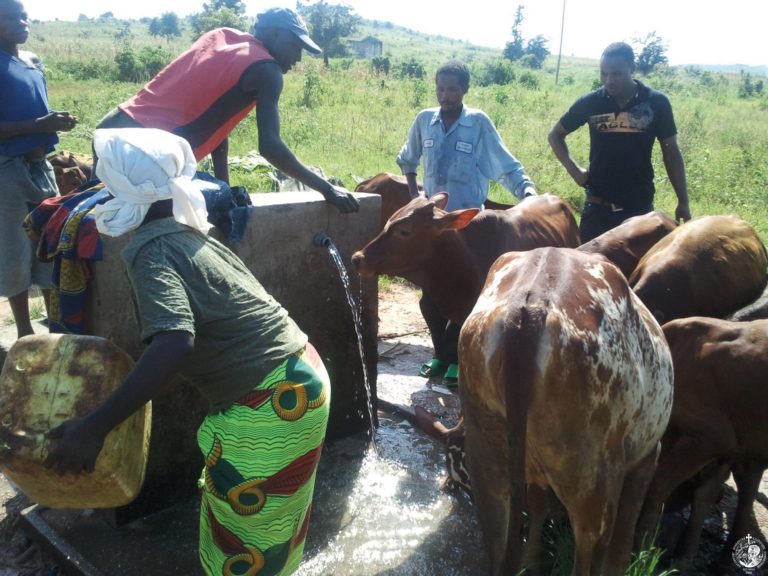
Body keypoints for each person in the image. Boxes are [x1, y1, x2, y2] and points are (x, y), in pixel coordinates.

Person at [44, 128, 331, 576]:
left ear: (121, 186)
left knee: (241, 548)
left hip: (269, 403)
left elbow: (175, 342)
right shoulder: (188, 228)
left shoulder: (149, 249)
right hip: (301, 377)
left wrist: (94, 426)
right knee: (274, 525)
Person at [94, 6, 358, 214]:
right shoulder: (268, 70)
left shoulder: (221, 37)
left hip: (110, 132)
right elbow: (270, 146)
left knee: (220, 195)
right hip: (142, 156)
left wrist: (224, 185)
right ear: (276, 33)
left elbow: (219, 125)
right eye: (296, 46)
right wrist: (328, 190)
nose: (298, 58)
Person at [396, 59, 537, 387]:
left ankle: (458, 359)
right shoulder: (423, 121)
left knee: (467, 296)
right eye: (440, 88)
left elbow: (505, 164)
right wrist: (415, 197)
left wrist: (527, 192)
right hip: (434, 227)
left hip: (469, 227)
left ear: (465, 90)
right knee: (430, 298)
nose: (445, 95)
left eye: (452, 89)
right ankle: (440, 354)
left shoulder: (477, 124)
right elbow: (408, 158)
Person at [548, 41, 691, 243]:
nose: (609, 80)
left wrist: (683, 201)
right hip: (598, 208)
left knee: (637, 273)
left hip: (639, 209)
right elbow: (555, 135)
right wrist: (575, 172)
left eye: (616, 74)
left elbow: (671, 152)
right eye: (604, 73)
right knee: (587, 269)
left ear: (632, 69)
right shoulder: (591, 102)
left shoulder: (656, 103)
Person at [0, 0, 78, 338]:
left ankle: (54, 320)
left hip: (39, 167)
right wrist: (40, 123)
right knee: (15, 247)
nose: (23, 21)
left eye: (24, 15)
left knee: (49, 241)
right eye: (12, 16)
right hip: (8, 169)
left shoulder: (30, 61)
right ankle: (24, 332)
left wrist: (54, 124)